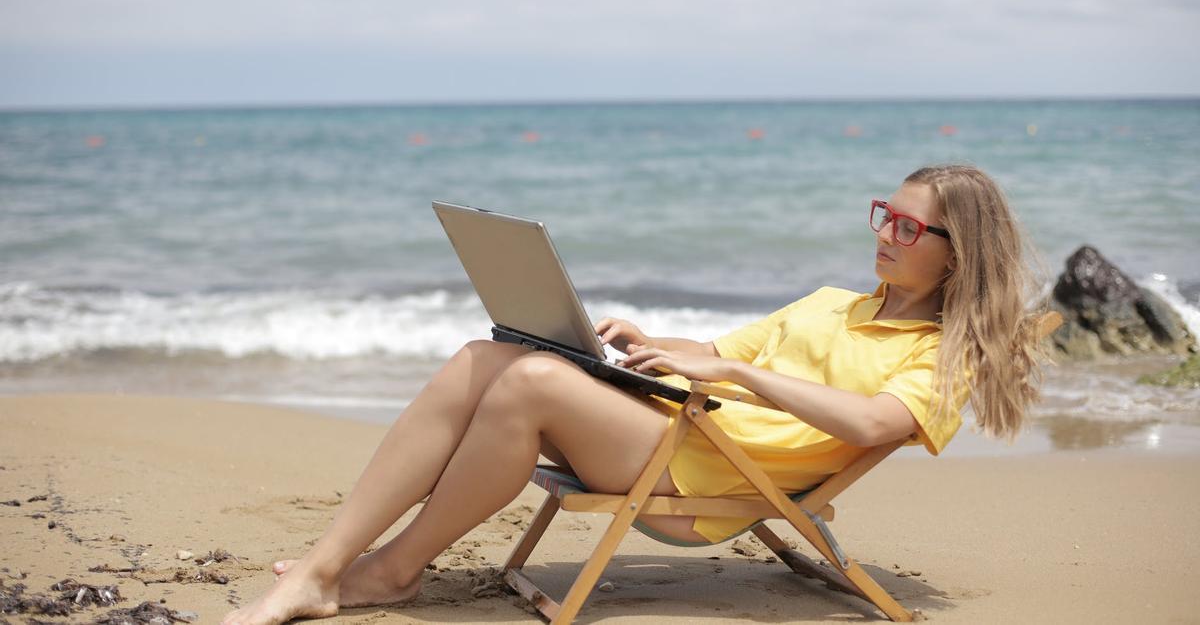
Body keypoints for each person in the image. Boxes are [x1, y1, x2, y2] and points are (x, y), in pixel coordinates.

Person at [222, 164, 1047, 625]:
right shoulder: (833, 303)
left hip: (705, 482)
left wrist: (743, 377)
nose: (884, 237)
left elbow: (872, 421)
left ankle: (388, 570)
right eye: (882, 216)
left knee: (535, 380)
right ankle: (335, 564)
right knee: (486, 354)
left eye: (907, 229)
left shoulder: (946, 354)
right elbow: (714, 353)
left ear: (958, 250)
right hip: (674, 432)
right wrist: (644, 341)